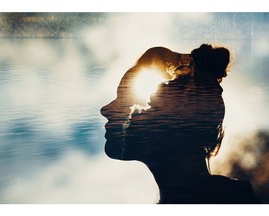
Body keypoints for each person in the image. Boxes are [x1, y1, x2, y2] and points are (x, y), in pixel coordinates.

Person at [101, 44, 261, 204]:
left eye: (150, 107)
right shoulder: (231, 197)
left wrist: (153, 58)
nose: (105, 110)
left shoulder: (234, 201)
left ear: (178, 131)